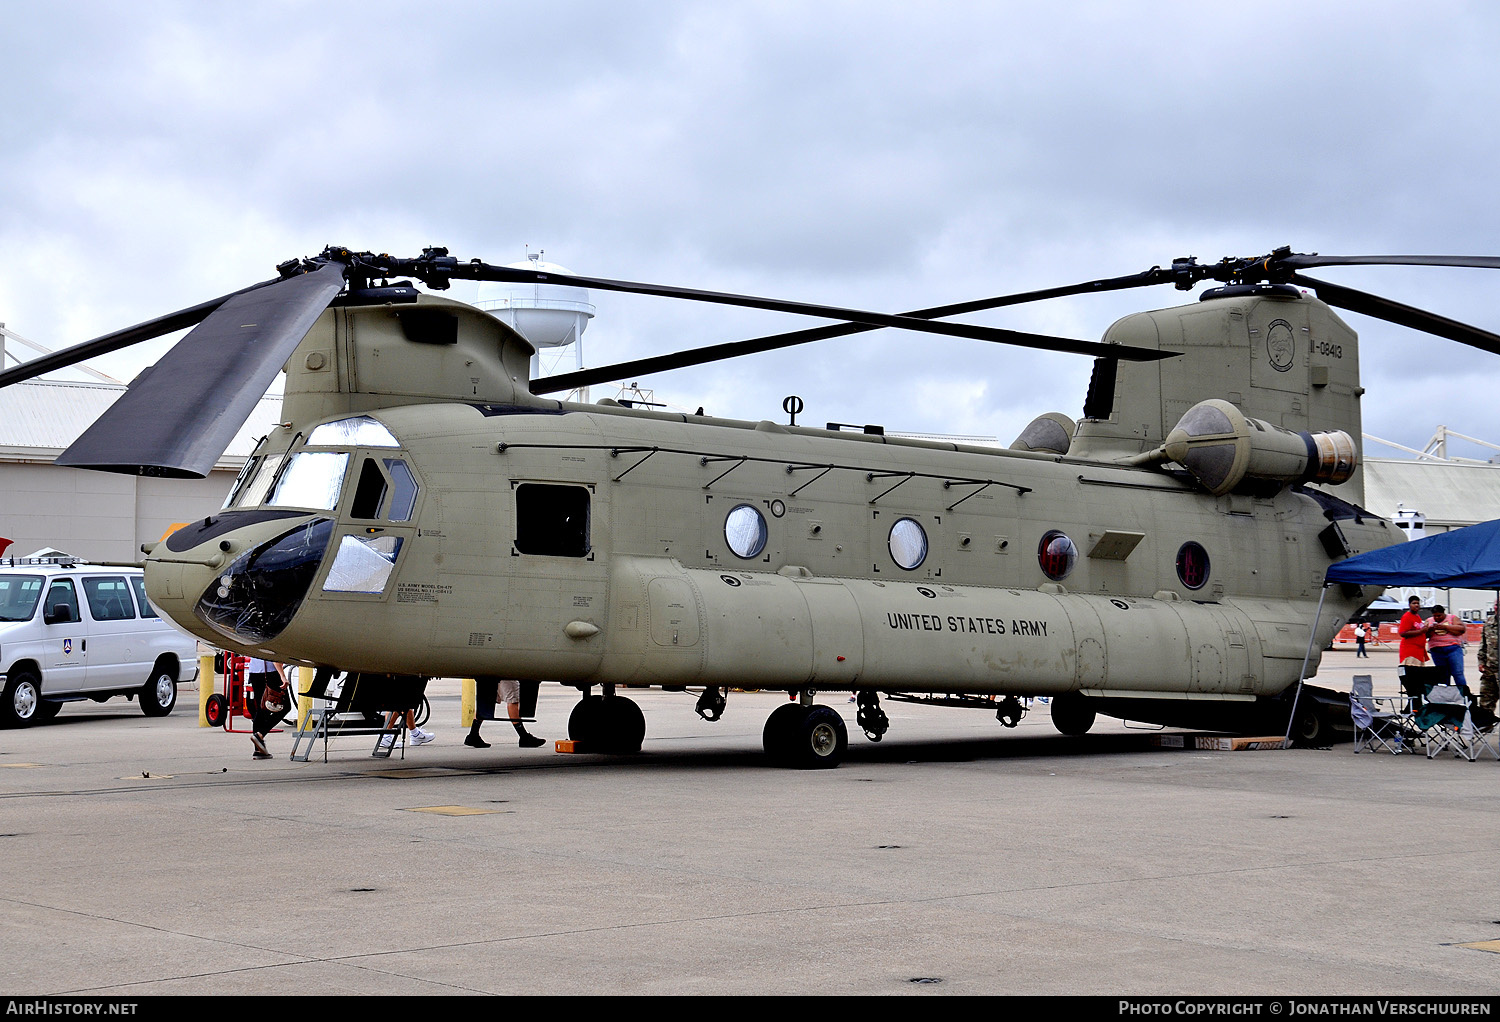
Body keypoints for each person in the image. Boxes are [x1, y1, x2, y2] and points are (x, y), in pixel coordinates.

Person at [467, 677, 545, 749]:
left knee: (487, 699)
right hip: (505, 671)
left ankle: (473, 734)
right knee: (513, 700)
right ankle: (524, 736)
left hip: (490, 669)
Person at [246, 657, 288, 760]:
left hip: (254, 671)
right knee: (285, 706)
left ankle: (258, 750)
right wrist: (282, 675)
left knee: (261, 710)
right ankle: (260, 734)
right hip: (270, 672)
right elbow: (274, 654)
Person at [1424, 604, 1469, 695]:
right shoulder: (1429, 621)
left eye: (1439, 615)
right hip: (1437, 651)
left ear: (1443, 613)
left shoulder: (1452, 618)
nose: (1437, 618)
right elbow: (1424, 635)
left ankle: (1464, 695)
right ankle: (1445, 697)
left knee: (1458, 673)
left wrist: (1445, 627)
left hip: (1453, 649)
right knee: (1443, 675)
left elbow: (1461, 629)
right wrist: (1430, 630)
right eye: (1435, 616)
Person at [1396, 595, 1429, 666]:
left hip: (1419, 651)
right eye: (1414, 603)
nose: (1416, 605)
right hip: (1410, 651)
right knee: (1412, 674)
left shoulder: (1417, 616)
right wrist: (1421, 631)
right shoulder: (1406, 617)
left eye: (1418, 603)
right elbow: (1402, 633)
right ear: (1409, 605)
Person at [1479, 604, 1498, 716]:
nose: (1497, 607)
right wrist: (1481, 662)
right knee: (1485, 699)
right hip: (1490, 668)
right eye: (1496, 604)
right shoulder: (1489, 622)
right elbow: (1483, 644)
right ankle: (1486, 725)